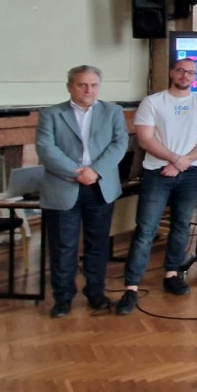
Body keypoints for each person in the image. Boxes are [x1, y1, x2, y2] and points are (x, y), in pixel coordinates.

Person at [116, 58, 197, 315]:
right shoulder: (153, 102)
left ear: (195, 77)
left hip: (191, 173)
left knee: (182, 225)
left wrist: (183, 163)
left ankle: (172, 273)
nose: (185, 75)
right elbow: (145, 139)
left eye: (191, 72)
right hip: (157, 172)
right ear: (172, 72)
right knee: (146, 229)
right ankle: (131, 287)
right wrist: (175, 160)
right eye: (181, 71)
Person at [35, 65, 129, 318]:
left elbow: (120, 144)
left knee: (97, 245)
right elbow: (46, 148)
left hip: (100, 187)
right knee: (63, 246)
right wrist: (78, 172)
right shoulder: (51, 114)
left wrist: (95, 171)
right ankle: (63, 298)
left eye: (93, 85)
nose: (89, 90)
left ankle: (95, 293)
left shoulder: (113, 111)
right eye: (82, 85)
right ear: (70, 87)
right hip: (64, 187)